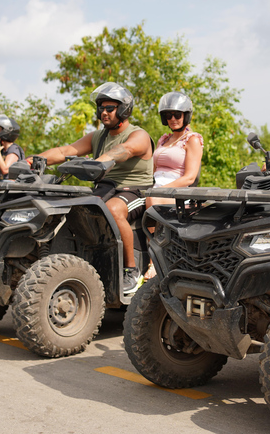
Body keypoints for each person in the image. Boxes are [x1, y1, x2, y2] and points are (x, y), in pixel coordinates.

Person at [32, 82, 154, 294]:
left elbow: (124, 150)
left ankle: (131, 271)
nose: (104, 113)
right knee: (70, 207)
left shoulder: (139, 135)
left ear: (124, 110)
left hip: (134, 190)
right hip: (105, 189)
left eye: (110, 108)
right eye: (101, 108)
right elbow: (65, 151)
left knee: (114, 211)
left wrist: (101, 161)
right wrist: (32, 161)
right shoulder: (98, 136)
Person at [144, 91, 203, 279]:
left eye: (177, 114)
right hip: (155, 188)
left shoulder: (192, 139)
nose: (173, 119)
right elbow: (152, 171)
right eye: (168, 115)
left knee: (152, 198)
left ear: (186, 115)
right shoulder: (164, 139)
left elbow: (189, 177)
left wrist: (160, 190)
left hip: (178, 192)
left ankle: (153, 263)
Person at [0, 115, 25, 180]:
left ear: (6, 132)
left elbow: (5, 170)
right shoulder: (3, 151)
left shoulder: (13, 149)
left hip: (10, 188)